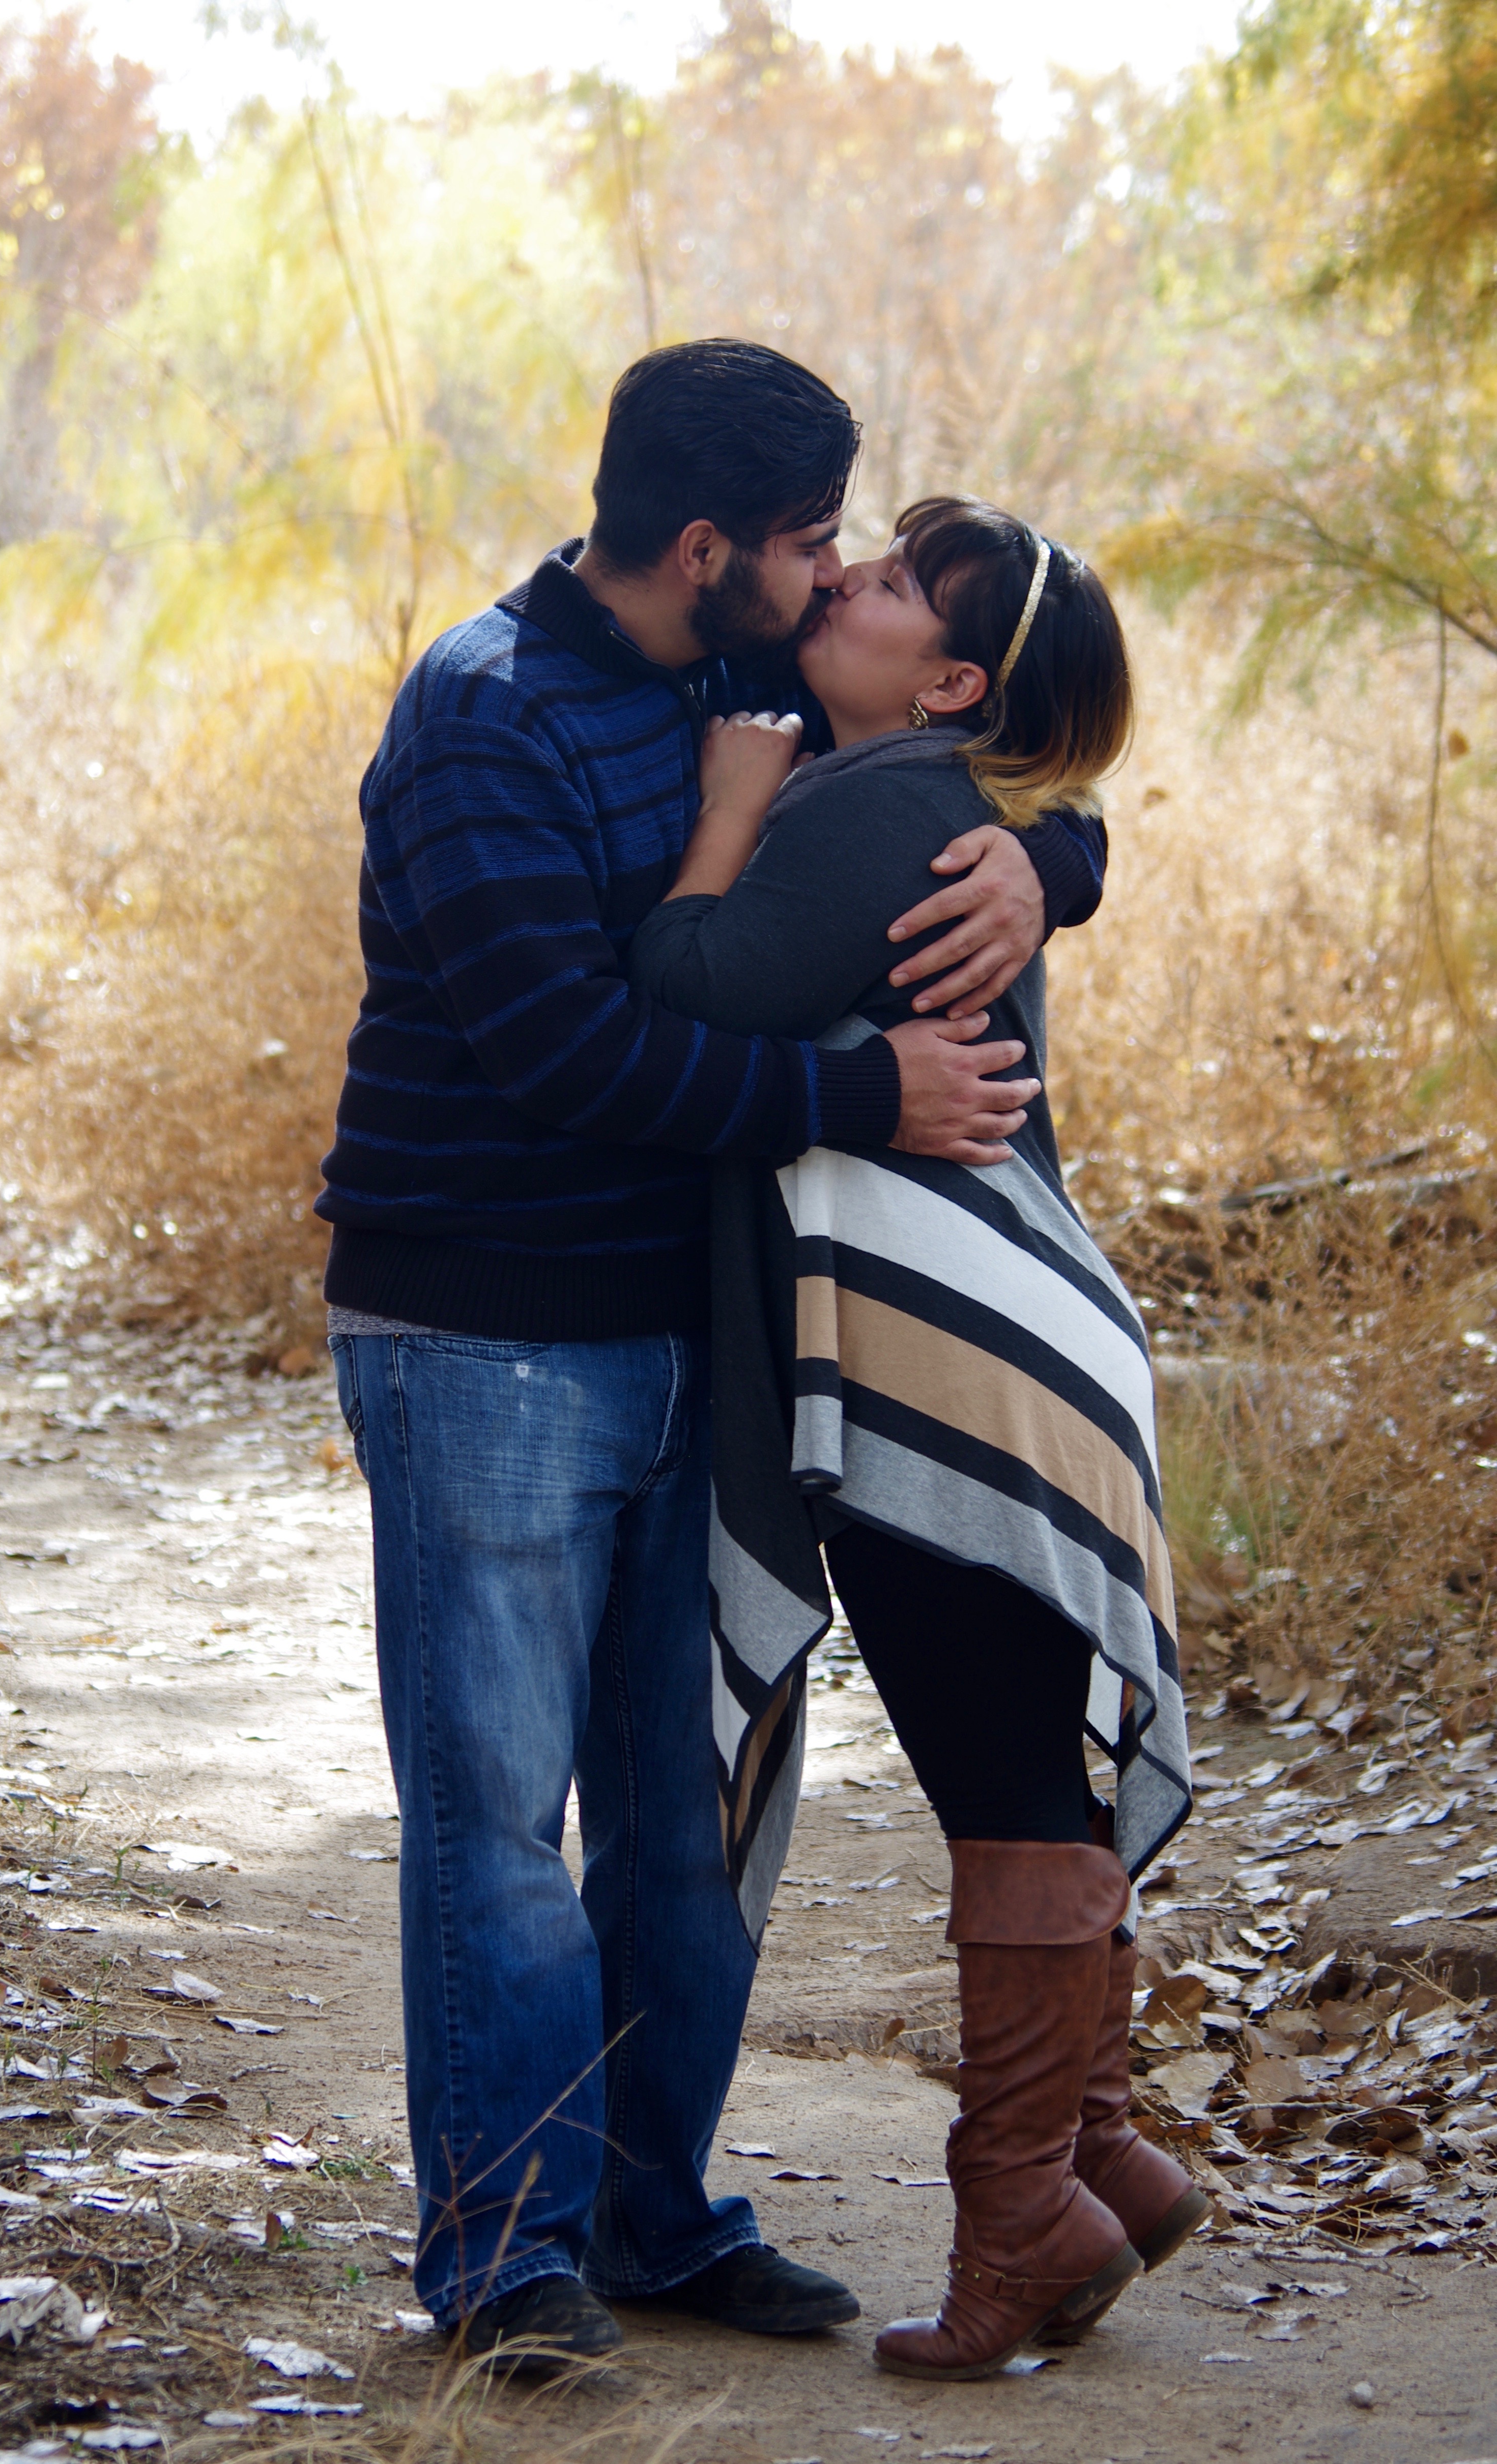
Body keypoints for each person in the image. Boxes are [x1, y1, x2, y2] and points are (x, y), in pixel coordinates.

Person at [316, 348, 1109, 2372]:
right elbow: (571, 1050)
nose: (835, 571)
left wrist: (1051, 860)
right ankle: (509, 2259)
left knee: (695, 1817)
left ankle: (654, 2217)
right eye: (810, 539)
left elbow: (957, 762)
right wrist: (862, 1092)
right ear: (702, 548)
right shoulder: (482, 716)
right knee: (503, 1827)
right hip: (486, 1337)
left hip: (700, 1343)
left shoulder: (741, 678)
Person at [628, 495, 1196, 2382]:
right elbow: (1049, 807)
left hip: (947, 1369)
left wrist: (727, 813)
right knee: (1026, 1758)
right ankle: (1099, 2156)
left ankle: (1020, 2217)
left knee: (1002, 1781)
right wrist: (1056, 842)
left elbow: (694, 984)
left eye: (885, 586)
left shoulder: (875, 806)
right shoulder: (932, 788)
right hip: (1010, 1347)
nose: (847, 578)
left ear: (950, 682)